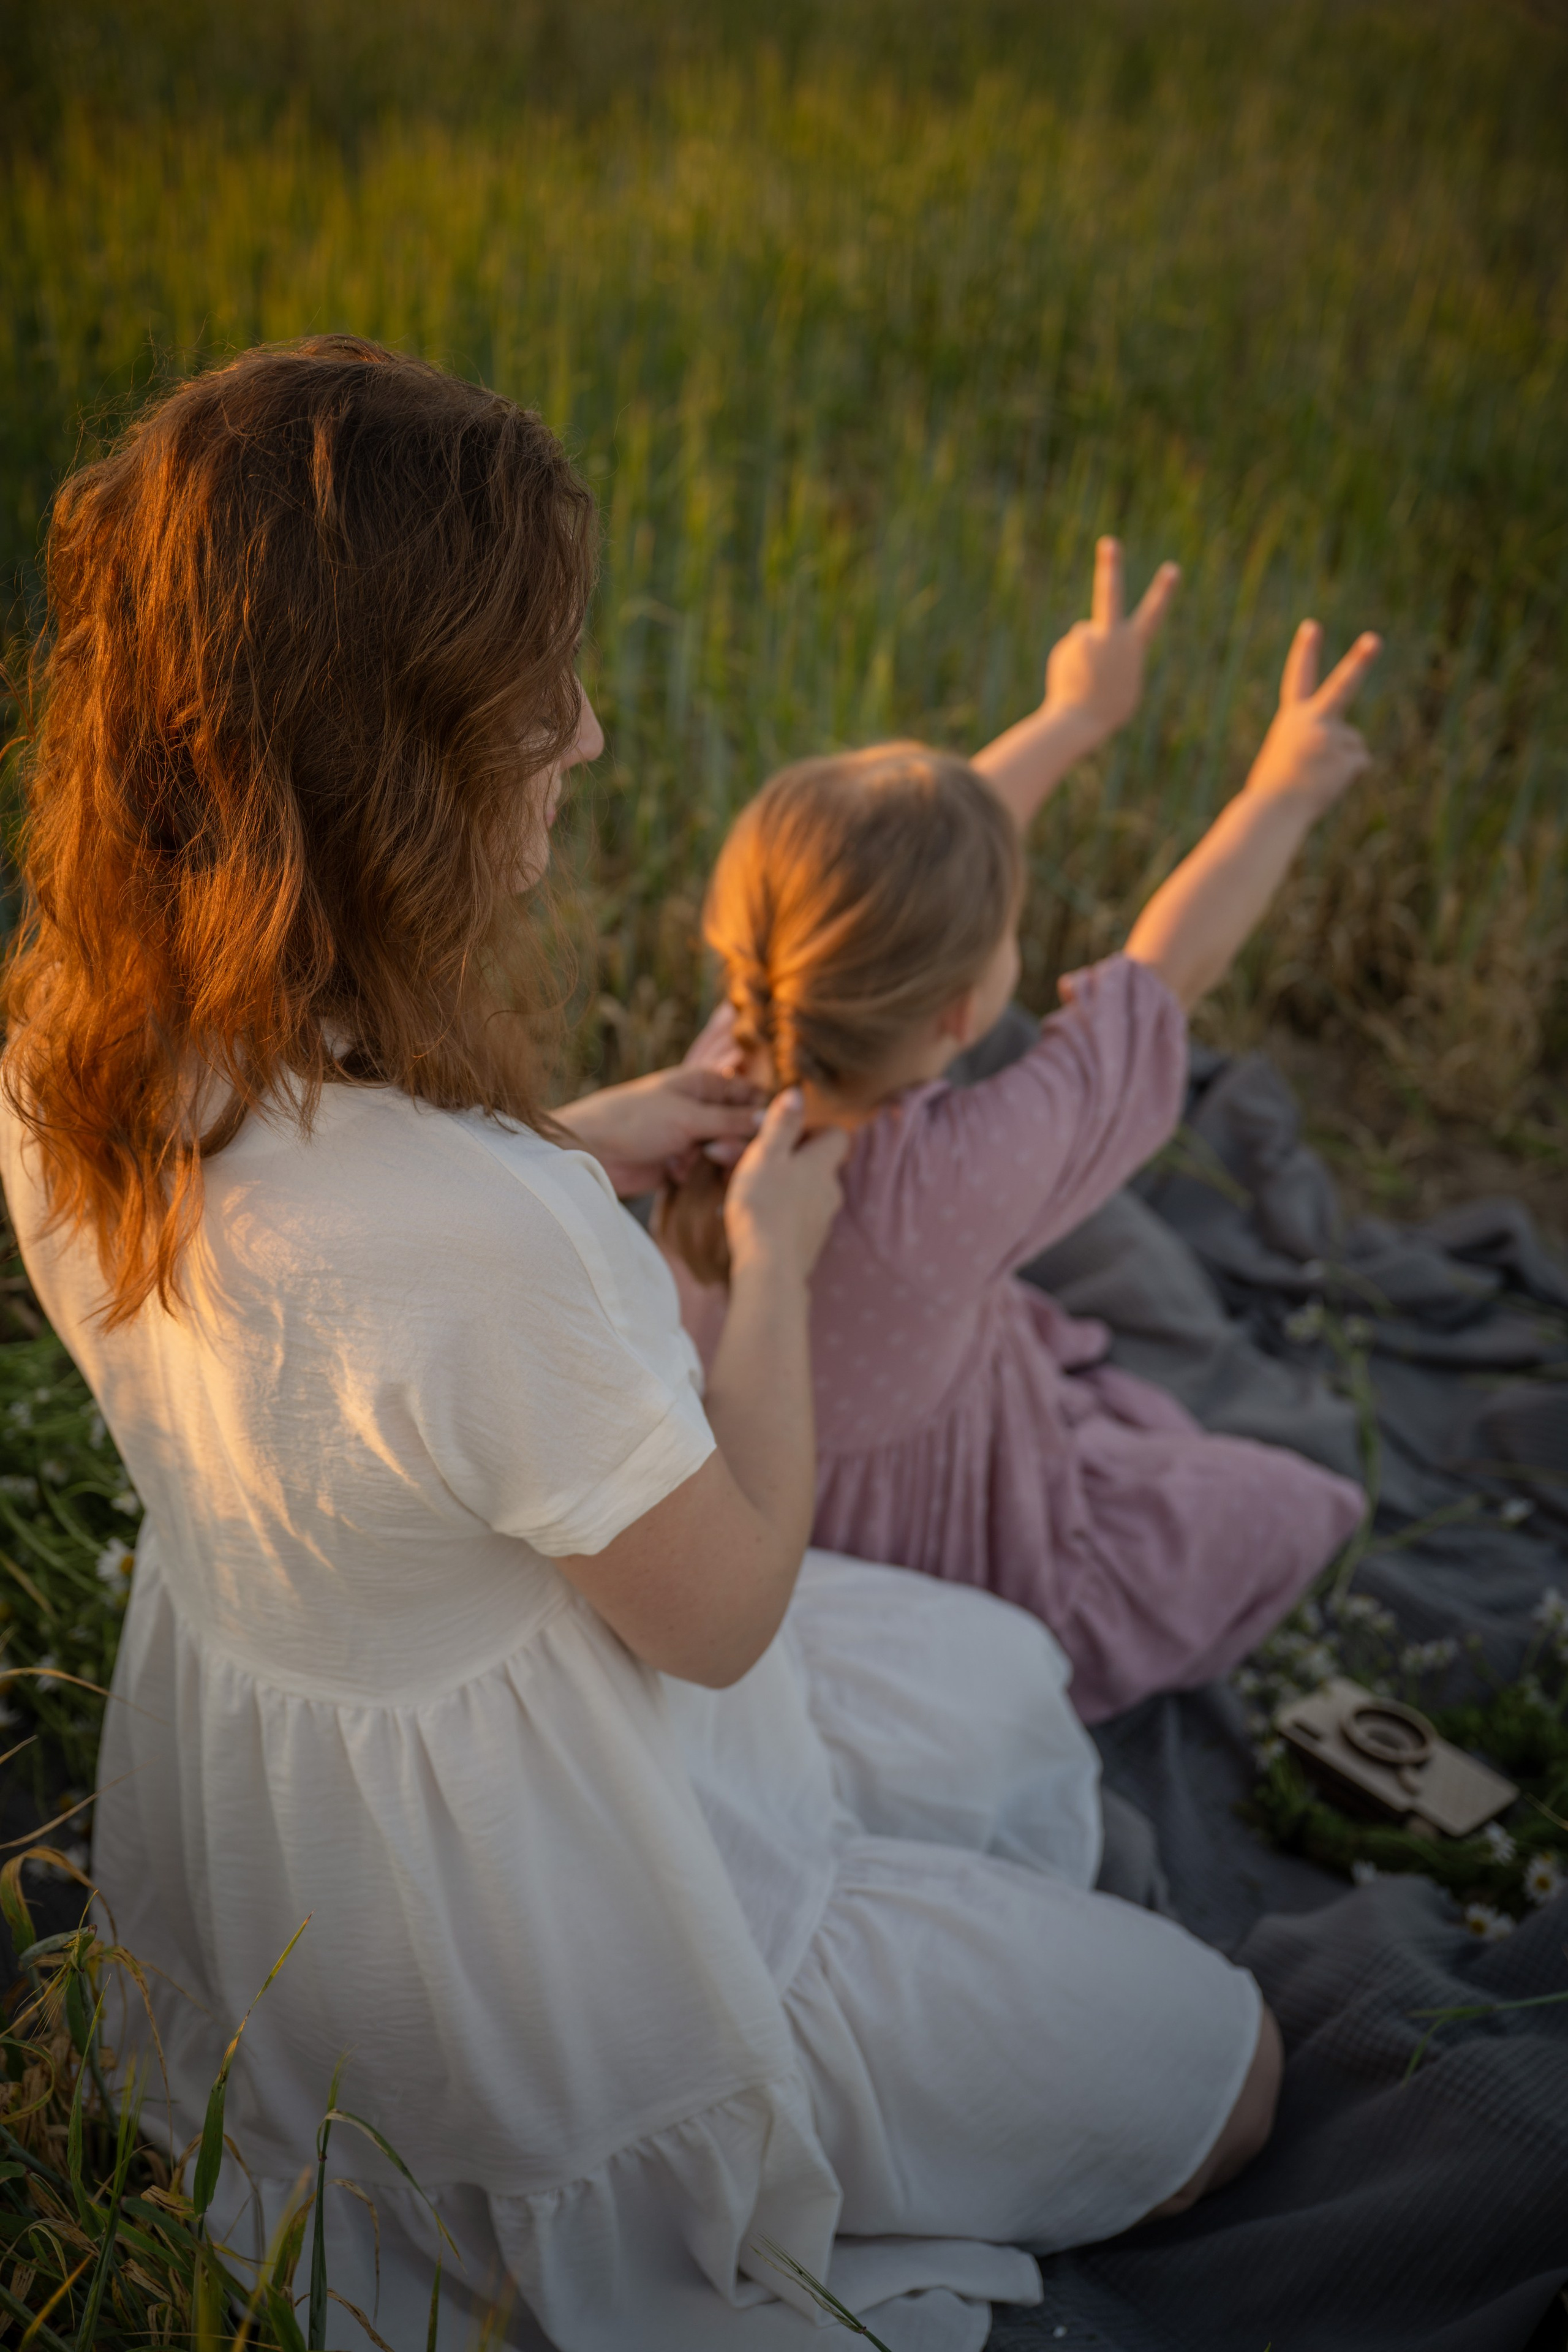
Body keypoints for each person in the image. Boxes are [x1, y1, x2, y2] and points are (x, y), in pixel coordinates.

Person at [0, 339, 1278, 2352]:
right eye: (540, 702)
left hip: (314, 1791)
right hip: (555, 1913)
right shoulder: (484, 1246)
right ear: (393, 768)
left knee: (1009, 1692)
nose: (587, 740)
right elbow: (722, 1619)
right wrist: (769, 1273)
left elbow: (338, 1303)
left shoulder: (76, 1038)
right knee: (1231, 2073)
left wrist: (567, 1144)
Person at [660, 545, 1373, 1720]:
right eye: (1005, 938)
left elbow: (899, 880)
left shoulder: (736, 1038)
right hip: (907, 1535)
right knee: (1282, 1508)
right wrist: (1282, 790)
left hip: (728, 1490)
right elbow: (1165, 976)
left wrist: (1073, 716)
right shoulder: (958, 1180)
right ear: (961, 1012)